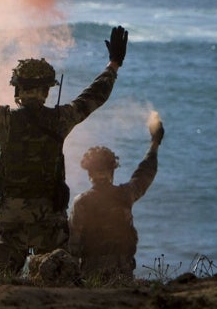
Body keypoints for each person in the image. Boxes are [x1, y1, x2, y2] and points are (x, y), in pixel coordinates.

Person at [0, 24, 128, 276]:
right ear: (47, 91)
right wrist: (113, 65)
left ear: (17, 90)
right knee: (58, 283)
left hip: (10, 217)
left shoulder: (1, 120)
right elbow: (94, 96)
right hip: (49, 219)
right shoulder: (61, 119)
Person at [69, 114, 164, 280]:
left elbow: (72, 245)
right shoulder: (125, 194)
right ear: (112, 172)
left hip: (91, 273)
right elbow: (145, 173)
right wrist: (154, 143)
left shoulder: (81, 202)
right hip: (123, 271)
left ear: (89, 175)